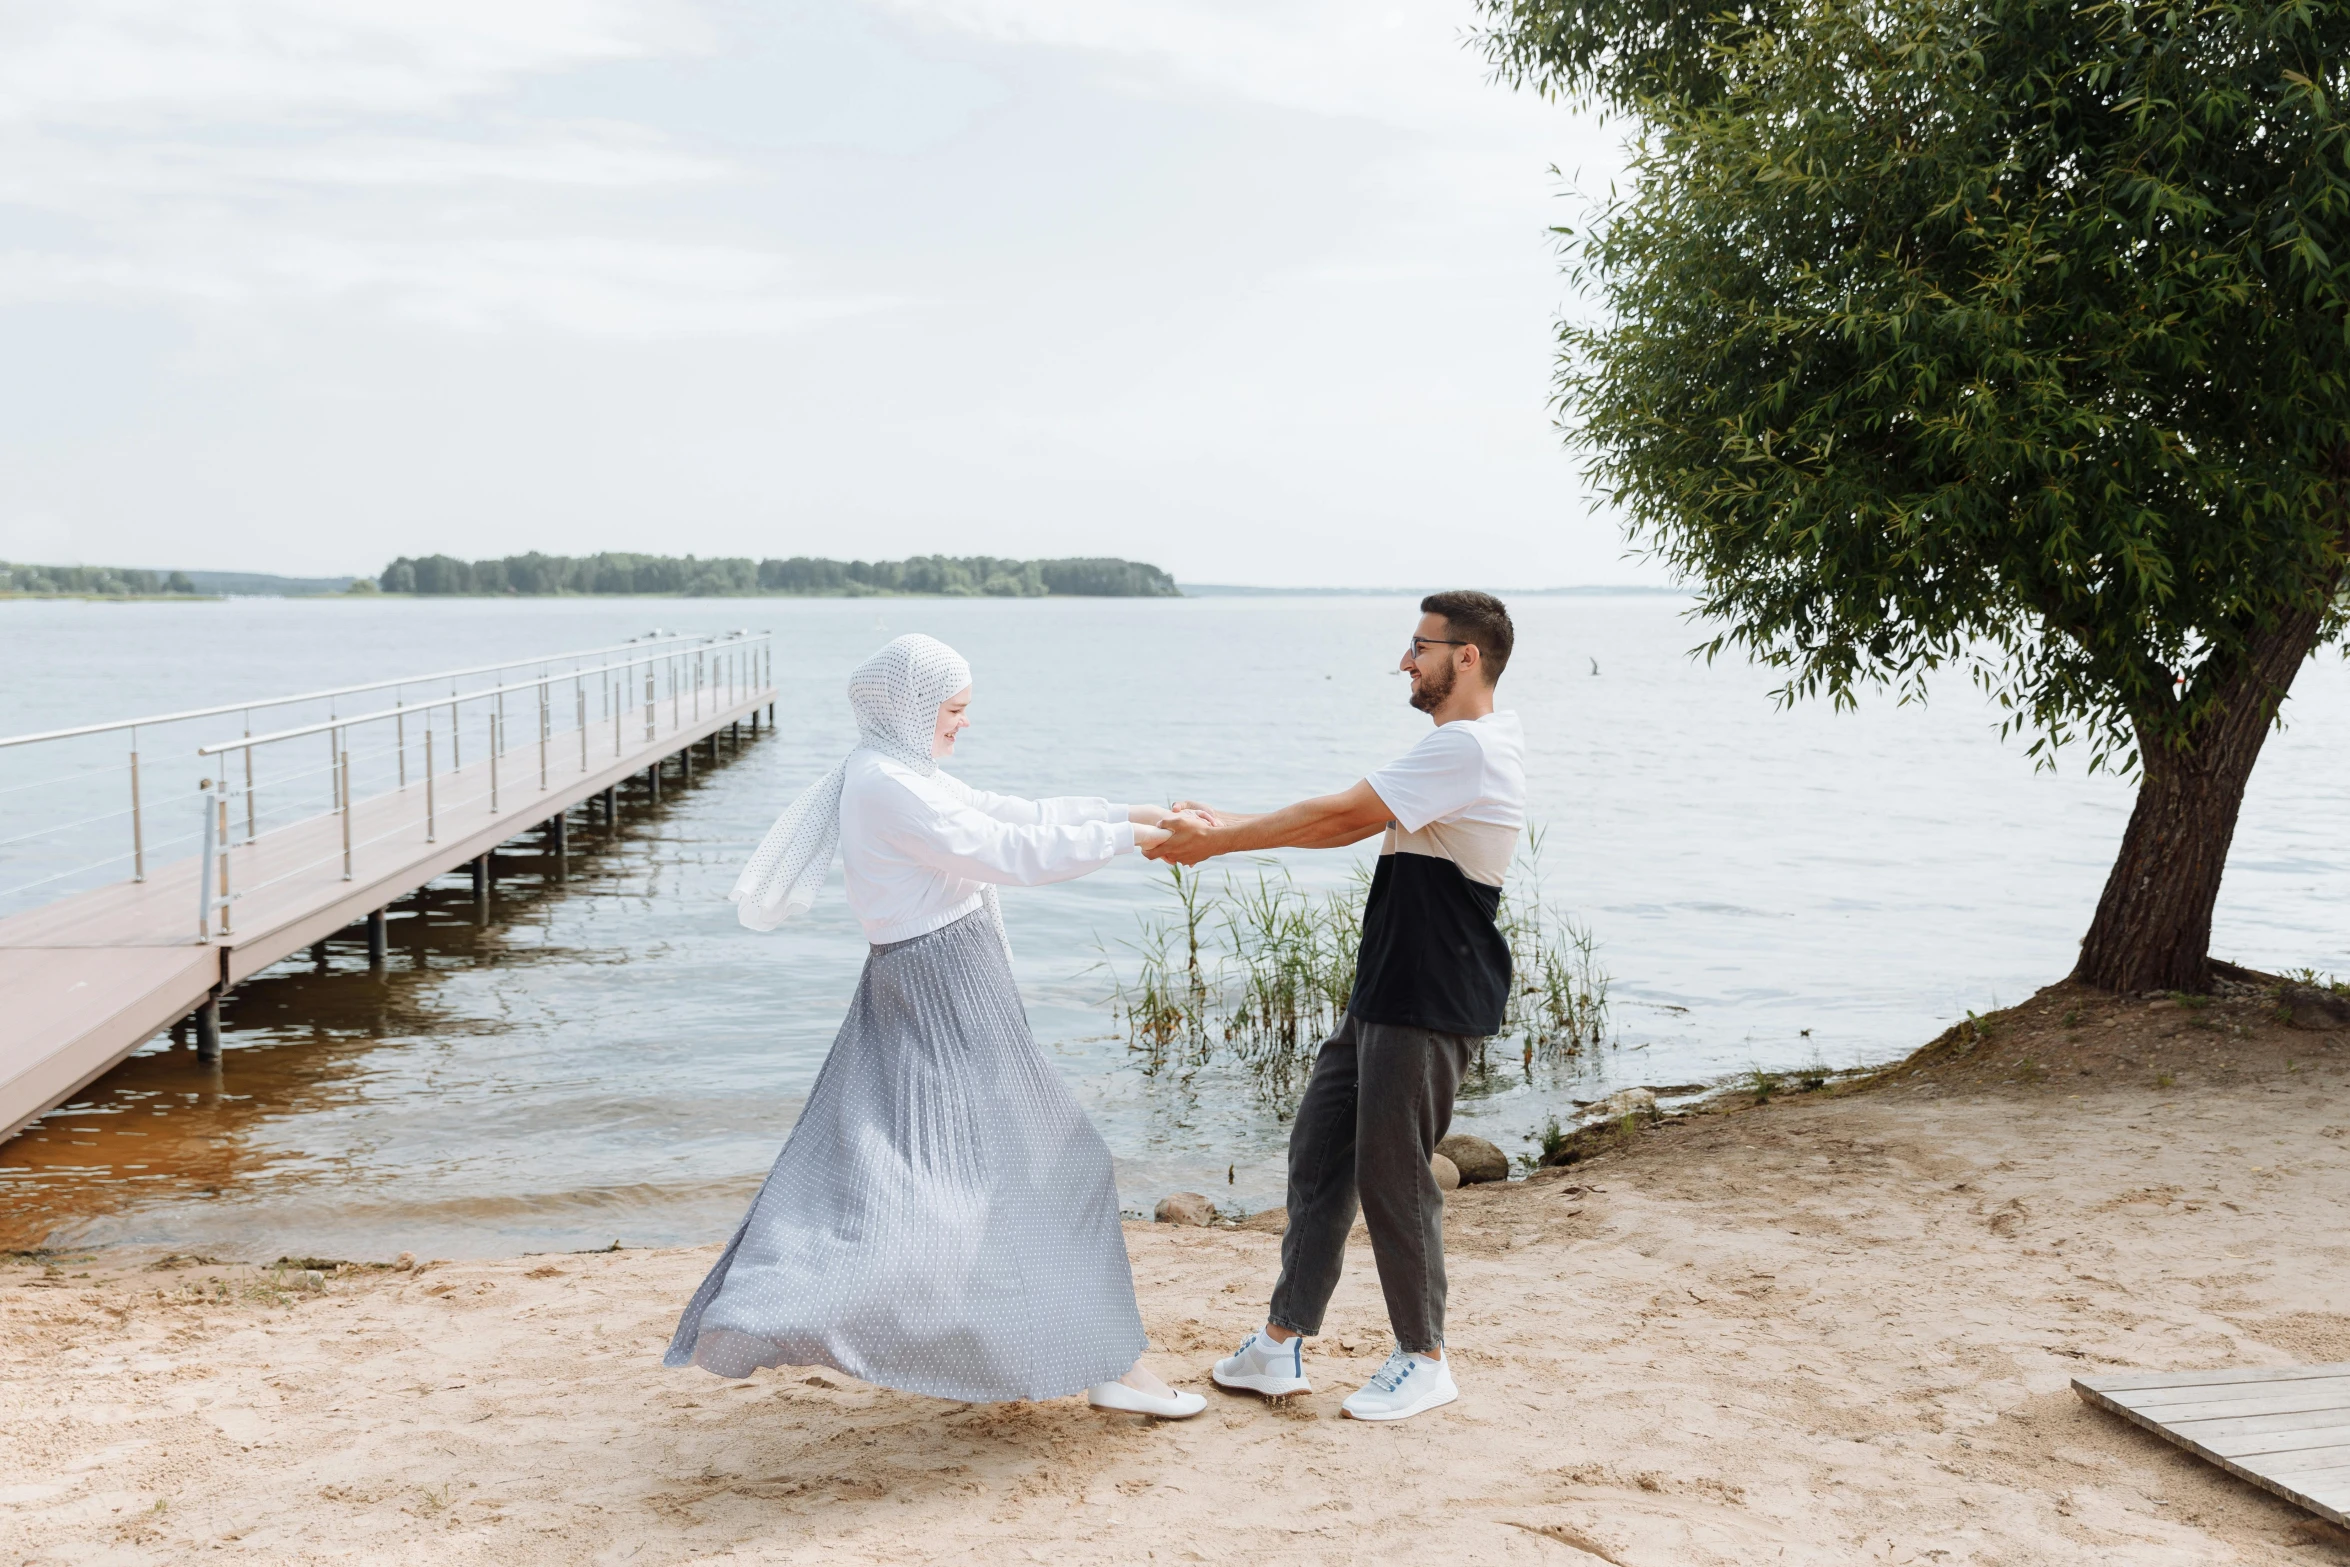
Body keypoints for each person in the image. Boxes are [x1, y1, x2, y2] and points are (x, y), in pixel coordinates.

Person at [665, 633, 1205, 1419]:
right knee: (1041, 1166)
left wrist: (1132, 812)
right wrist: (1135, 837)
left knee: (1005, 1174)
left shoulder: (897, 772)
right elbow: (1007, 851)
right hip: (945, 987)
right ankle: (1105, 1364)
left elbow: (1008, 813)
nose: (962, 724)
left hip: (943, 981)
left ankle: (1103, 1359)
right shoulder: (889, 784)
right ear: (911, 708)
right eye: (953, 710)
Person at [1148, 590, 1523, 1422]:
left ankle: (1423, 1356)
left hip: (1427, 993)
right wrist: (1226, 827)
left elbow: (1340, 818)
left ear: (1466, 656)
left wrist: (1218, 837)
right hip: (1389, 988)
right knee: (1320, 1150)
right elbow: (1342, 822)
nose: (1404, 660)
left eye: (1420, 645)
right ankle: (1280, 1343)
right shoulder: (1457, 750)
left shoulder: (1469, 748)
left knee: (1394, 1172)